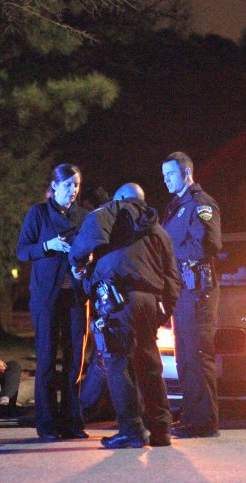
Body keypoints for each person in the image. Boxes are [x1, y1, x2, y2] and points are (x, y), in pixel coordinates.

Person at [70, 182, 181, 448]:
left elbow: (80, 249)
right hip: (149, 302)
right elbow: (172, 277)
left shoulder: (110, 214)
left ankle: (131, 430)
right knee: (149, 364)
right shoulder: (159, 231)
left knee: (118, 365)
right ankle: (161, 430)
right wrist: (163, 312)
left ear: (120, 198)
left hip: (117, 301)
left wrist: (79, 267)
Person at [16, 163, 89, 441]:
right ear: (55, 186)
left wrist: (87, 258)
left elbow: (93, 247)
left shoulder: (83, 217)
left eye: (77, 185)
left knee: (74, 361)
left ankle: (72, 422)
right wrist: (49, 246)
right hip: (47, 298)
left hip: (76, 297)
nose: (73, 191)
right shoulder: (38, 214)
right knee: (47, 360)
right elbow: (23, 251)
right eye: (68, 185)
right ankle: (46, 425)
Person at [161, 152, 222, 438]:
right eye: (163, 176)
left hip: (197, 289)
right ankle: (191, 416)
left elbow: (208, 244)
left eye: (170, 175)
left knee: (197, 355)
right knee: (185, 355)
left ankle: (204, 422)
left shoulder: (201, 204)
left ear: (186, 174)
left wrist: (169, 254)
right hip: (182, 289)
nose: (166, 180)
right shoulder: (177, 207)